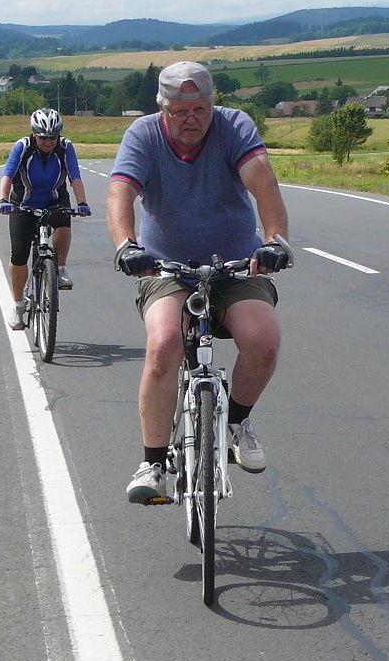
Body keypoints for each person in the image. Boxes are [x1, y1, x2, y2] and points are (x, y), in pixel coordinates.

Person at [106, 61, 290, 505]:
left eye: (201, 109)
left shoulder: (234, 127)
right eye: (180, 111)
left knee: (263, 339)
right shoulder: (144, 135)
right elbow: (120, 192)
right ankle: (152, 463)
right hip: (165, 269)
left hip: (236, 265)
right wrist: (127, 246)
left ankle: (236, 423)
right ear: (162, 108)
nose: (192, 119)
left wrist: (275, 241)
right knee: (164, 344)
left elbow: (263, 181)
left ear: (213, 104)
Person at [0, 108, 90, 330]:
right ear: (34, 134)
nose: (47, 142)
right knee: (19, 255)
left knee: (64, 223)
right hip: (23, 203)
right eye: (42, 137)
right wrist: (3, 200)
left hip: (54, 199)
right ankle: (18, 306)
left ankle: (61, 268)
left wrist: (82, 203)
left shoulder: (65, 147)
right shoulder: (23, 147)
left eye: (52, 137)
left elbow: (75, 177)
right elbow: (7, 175)